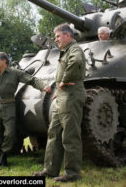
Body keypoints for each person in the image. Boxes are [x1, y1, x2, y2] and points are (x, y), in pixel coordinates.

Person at [33, 23, 87, 182]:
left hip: (71, 96)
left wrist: (64, 81)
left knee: (70, 136)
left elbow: (76, 61)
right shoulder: (65, 51)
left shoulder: (74, 49)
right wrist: (58, 87)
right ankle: (50, 170)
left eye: (58, 36)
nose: (55, 39)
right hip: (62, 97)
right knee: (53, 134)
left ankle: (72, 173)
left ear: (68, 36)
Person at [0, 52, 51, 169]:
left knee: (9, 134)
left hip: (8, 107)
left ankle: (4, 155)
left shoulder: (15, 73)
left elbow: (31, 80)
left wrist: (43, 86)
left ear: (4, 61)